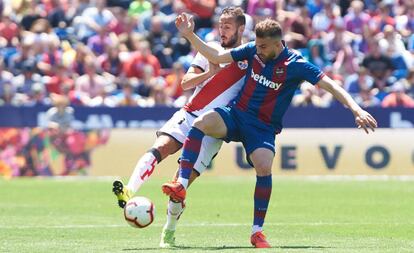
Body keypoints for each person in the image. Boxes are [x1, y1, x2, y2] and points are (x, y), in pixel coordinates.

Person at [161, 14, 378, 248]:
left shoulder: (296, 64)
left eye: (264, 46)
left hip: (262, 127)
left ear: (278, 44)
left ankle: (257, 232)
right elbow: (216, 56)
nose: (259, 50)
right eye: (257, 44)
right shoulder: (254, 49)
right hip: (236, 115)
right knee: (200, 123)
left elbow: (331, 85)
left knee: (264, 167)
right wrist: (189, 35)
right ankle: (181, 185)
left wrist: (356, 109)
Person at [112, 7, 248, 248]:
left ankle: (169, 230)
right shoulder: (208, 49)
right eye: (220, 25)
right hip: (188, 114)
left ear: (241, 29)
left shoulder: (246, 57)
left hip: (211, 130)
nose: (222, 30)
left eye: (227, 26)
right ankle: (129, 191)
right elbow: (186, 83)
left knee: (178, 186)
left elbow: (228, 63)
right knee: (159, 147)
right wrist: (208, 74)